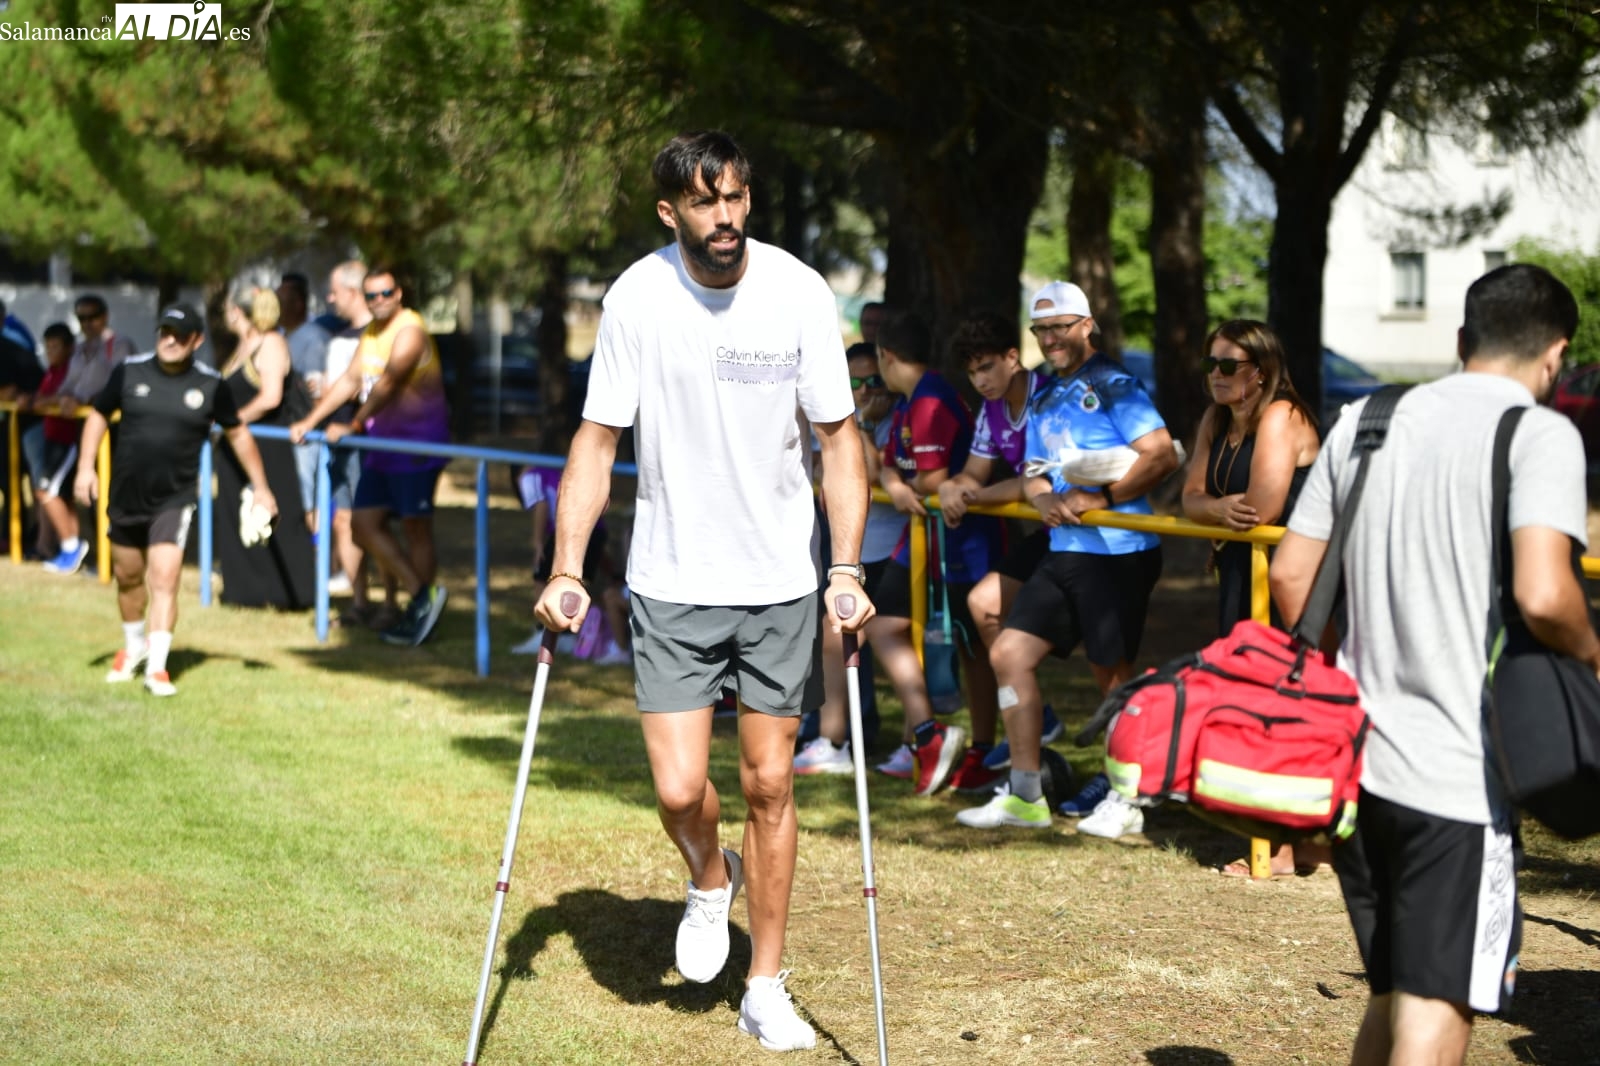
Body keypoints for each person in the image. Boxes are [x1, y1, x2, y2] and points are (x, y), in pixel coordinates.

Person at [534, 130, 872, 1052]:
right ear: (669, 211)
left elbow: (839, 439)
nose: (725, 219)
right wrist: (568, 567)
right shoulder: (639, 296)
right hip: (673, 578)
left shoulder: (800, 291)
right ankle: (707, 877)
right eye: (705, 202)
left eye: (736, 199)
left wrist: (844, 565)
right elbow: (597, 442)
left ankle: (765, 983)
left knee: (770, 782)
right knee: (683, 790)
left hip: (777, 581)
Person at [1270, 264, 1596, 1066]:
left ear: (1460, 341)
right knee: (1437, 1007)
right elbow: (1547, 595)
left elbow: (1287, 574)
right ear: (1555, 356)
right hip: (1457, 780)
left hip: (1357, 767)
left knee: (1391, 993)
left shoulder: (1365, 420)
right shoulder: (1539, 432)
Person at [957, 281, 1179, 833]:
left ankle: (1129, 796)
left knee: (1112, 675)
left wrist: (1099, 498)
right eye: (1042, 330)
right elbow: (1033, 474)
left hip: (1119, 551)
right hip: (1066, 550)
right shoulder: (1049, 394)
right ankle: (1027, 794)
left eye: (1061, 327)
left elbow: (1159, 455)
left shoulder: (1113, 384)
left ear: (1087, 326)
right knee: (1008, 653)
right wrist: (1046, 497)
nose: (1051, 339)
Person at [1180, 319, 1324, 878]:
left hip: (1295, 574)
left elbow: (1262, 507)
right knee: (1249, 698)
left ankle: (1292, 846)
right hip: (1243, 570)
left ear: (1260, 372)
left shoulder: (1282, 415)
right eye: (1209, 364)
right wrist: (1217, 511)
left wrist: (1217, 510)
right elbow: (1190, 499)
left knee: (1285, 701)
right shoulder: (1216, 421)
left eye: (1227, 366)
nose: (1214, 376)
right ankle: (1284, 839)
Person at [74, 304, 278, 697]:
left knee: (164, 578)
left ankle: (157, 668)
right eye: (165, 331)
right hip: (126, 494)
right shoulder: (129, 371)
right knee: (128, 576)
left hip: (176, 496)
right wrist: (85, 468)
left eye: (180, 334)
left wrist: (262, 488)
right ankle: (134, 647)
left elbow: (237, 434)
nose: (170, 340)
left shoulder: (210, 384)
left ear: (196, 341)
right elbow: (98, 416)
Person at [865, 310, 1003, 796]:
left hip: (964, 542)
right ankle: (929, 735)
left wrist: (905, 486)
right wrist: (897, 484)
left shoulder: (929, 402)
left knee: (977, 649)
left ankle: (982, 746)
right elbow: (887, 469)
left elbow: (933, 480)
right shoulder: (908, 401)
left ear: (887, 357)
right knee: (884, 625)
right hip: (926, 540)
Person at [290, 265, 451, 647]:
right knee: (361, 524)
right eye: (371, 295)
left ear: (399, 294)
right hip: (382, 446)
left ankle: (421, 613)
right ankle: (421, 598)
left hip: (417, 447)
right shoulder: (373, 334)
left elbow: (389, 383)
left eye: (385, 294)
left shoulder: (409, 331)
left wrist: (356, 425)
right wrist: (311, 421)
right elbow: (349, 380)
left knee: (415, 528)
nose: (379, 301)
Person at [936, 309, 1063, 789]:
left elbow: (1030, 482)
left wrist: (970, 494)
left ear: (1014, 357)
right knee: (983, 605)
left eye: (986, 367)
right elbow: (976, 473)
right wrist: (956, 486)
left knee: (1107, 666)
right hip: (1049, 537)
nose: (980, 380)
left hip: (1085, 535)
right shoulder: (990, 410)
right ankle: (1035, 717)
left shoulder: (1048, 398)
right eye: (971, 372)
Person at [793, 341, 895, 774]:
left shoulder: (886, 425)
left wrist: (865, 428)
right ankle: (830, 737)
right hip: (841, 554)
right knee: (832, 643)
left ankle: (845, 738)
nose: (867, 390)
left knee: (857, 646)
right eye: (856, 382)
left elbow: (871, 472)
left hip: (887, 554)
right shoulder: (834, 423)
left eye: (875, 380)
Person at [214, 282, 316, 610]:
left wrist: (234, 419)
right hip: (235, 445)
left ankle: (292, 594)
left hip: (268, 444)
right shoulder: (244, 344)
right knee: (236, 513)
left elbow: (270, 396)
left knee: (279, 515)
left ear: (236, 311)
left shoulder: (271, 343)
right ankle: (246, 590)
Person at [319, 260, 395, 622]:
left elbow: (372, 388)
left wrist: (353, 419)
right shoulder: (345, 336)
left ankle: (393, 604)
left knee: (376, 524)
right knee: (344, 521)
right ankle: (360, 602)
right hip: (341, 441)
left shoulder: (385, 336)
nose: (330, 298)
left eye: (335, 290)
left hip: (371, 443)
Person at [507, 463, 629, 664]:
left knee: (542, 579)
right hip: (594, 529)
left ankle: (548, 633)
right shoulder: (554, 471)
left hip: (573, 528)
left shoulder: (529, 476)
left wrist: (537, 542)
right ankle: (571, 634)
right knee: (579, 584)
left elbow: (541, 505)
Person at [25, 324, 89, 572]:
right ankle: (69, 548)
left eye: (56, 347)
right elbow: (42, 398)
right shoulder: (52, 371)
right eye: (48, 347)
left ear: (69, 348)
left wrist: (48, 400)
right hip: (53, 440)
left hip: (67, 441)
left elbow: (67, 396)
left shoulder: (70, 371)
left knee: (45, 491)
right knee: (60, 495)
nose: (50, 352)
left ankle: (72, 546)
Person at [277, 272, 332, 521]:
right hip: (289, 431)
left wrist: (311, 425)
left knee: (308, 506)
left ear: (299, 304)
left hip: (306, 437)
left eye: (283, 300)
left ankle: (315, 557)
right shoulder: (281, 336)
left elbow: (317, 390)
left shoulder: (313, 338)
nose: (277, 306)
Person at [57, 294, 137, 410]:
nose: (87, 323)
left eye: (93, 317)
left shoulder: (120, 345)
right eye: (82, 318)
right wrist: (64, 398)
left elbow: (121, 386)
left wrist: (84, 401)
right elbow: (67, 387)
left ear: (105, 316)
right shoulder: (78, 349)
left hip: (110, 420)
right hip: (81, 419)